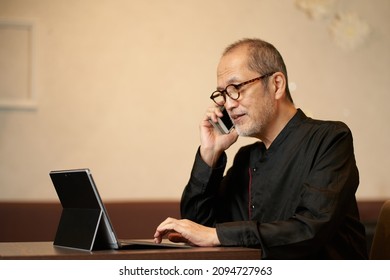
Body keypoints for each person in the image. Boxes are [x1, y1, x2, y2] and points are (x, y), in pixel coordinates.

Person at [153, 38, 368, 259]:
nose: (228, 104)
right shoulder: (247, 158)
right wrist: (210, 154)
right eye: (223, 94)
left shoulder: (330, 138)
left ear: (276, 85)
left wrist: (216, 235)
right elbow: (199, 228)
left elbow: (309, 230)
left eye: (236, 88)